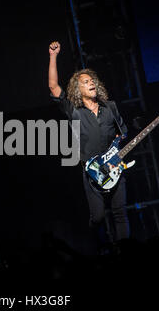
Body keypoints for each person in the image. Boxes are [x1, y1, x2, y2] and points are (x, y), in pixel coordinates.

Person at [48, 41, 130, 248]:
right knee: (99, 217)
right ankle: (100, 246)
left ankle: (127, 252)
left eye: (92, 80)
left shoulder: (110, 107)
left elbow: (123, 133)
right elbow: (53, 87)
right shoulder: (74, 110)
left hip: (114, 169)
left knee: (120, 212)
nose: (91, 82)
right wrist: (53, 56)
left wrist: (116, 156)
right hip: (91, 172)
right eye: (85, 81)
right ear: (78, 88)